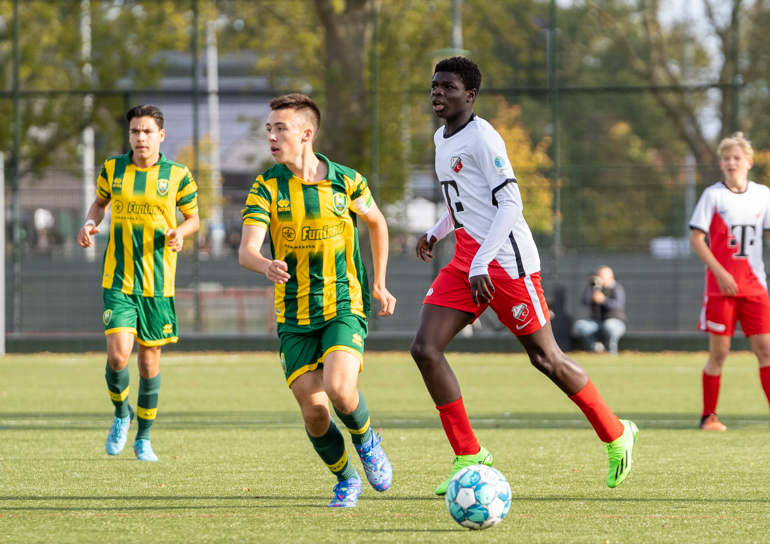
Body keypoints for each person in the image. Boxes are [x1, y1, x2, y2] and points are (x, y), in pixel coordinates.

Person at [411, 57, 638, 495]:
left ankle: (616, 433)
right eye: (434, 86)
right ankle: (469, 455)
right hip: (467, 260)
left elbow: (510, 204)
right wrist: (436, 232)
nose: (438, 93)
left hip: (506, 264)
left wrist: (481, 262)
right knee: (425, 349)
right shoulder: (442, 138)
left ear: (470, 95)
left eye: (448, 87)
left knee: (545, 358)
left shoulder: (484, 137)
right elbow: (464, 201)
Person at [238, 94, 397, 508]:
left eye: (280, 128)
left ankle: (366, 440)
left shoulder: (346, 181)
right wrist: (264, 264)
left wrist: (379, 283)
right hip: (293, 316)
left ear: (306, 134)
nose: (271, 136)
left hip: (344, 304)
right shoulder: (267, 186)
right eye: (269, 129)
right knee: (315, 413)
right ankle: (345, 479)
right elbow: (247, 250)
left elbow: (378, 223)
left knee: (340, 388)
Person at [77, 105, 200, 461]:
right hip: (119, 279)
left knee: (148, 364)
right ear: (129, 135)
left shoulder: (177, 174)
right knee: (118, 357)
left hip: (158, 283)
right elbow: (99, 204)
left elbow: (193, 218)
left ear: (161, 135)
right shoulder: (113, 169)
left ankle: (143, 438)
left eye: (147, 131)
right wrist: (88, 223)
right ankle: (121, 414)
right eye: (134, 131)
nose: (140, 138)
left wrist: (180, 232)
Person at [689, 132, 770, 432]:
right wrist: (720, 272)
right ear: (721, 163)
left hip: (755, 287)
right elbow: (696, 238)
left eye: (737, 158)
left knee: (766, 349)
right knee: (719, 352)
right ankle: (708, 416)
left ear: (749, 163)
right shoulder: (712, 196)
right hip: (721, 289)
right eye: (726, 158)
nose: (731, 163)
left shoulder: (762, 194)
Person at [572, 266, 627, 354]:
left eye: (603, 275)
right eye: (599, 275)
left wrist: (603, 300)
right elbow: (584, 302)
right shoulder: (594, 289)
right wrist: (591, 287)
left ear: (611, 276)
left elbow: (618, 304)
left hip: (615, 322)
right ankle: (596, 348)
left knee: (610, 326)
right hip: (596, 323)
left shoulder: (616, 288)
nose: (600, 277)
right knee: (580, 326)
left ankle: (611, 350)